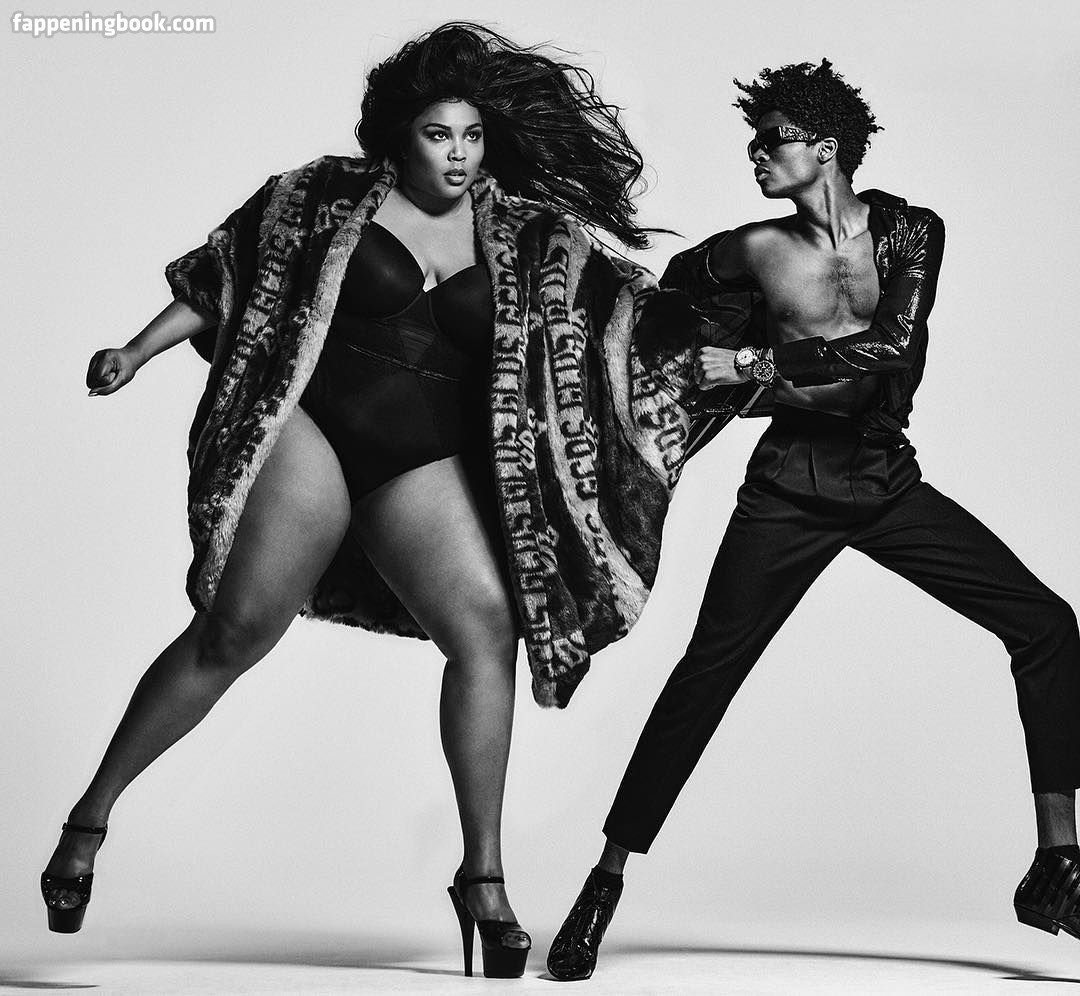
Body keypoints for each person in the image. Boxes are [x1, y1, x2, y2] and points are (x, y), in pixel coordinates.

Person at [39, 23, 708, 980]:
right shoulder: (321, 195)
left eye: (471, 136)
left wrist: (749, 339)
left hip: (420, 461)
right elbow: (227, 276)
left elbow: (630, 329)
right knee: (237, 630)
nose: (458, 155)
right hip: (312, 429)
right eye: (439, 135)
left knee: (486, 629)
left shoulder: (535, 240)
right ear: (402, 135)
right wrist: (134, 352)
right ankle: (87, 823)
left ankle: (482, 877)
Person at [546, 58, 1080, 981]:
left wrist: (753, 364)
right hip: (789, 487)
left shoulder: (911, 231)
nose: (756, 156)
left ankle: (1058, 865)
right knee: (706, 676)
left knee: (1046, 626)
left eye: (771, 142)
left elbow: (890, 346)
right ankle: (604, 880)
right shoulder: (751, 250)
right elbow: (663, 307)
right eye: (754, 144)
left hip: (883, 479)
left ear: (825, 148)